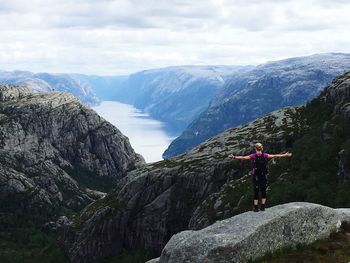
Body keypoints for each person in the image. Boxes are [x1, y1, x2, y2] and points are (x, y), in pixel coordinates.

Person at [228, 143, 292, 212]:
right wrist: (285, 155)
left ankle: (255, 207)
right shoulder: (265, 155)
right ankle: (263, 207)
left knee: (256, 192)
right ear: (262, 148)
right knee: (263, 191)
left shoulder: (253, 156)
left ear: (255, 149)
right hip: (263, 175)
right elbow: (275, 156)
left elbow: (243, 158)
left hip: (256, 176)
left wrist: (234, 157)